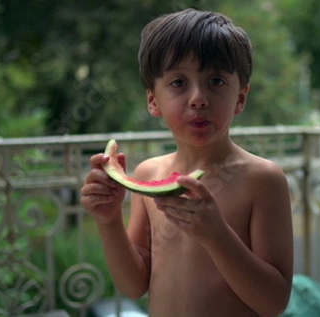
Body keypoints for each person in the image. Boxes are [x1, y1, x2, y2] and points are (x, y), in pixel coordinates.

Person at [80, 8, 294, 317]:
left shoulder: (263, 180)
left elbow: (273, 303)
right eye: (179, 82)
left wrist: (217, 237)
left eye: (216, 81)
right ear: (153, 100)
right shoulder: (148, 172)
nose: (198, 98)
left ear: (240, 98)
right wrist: (108, 221)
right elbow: (133, 286)